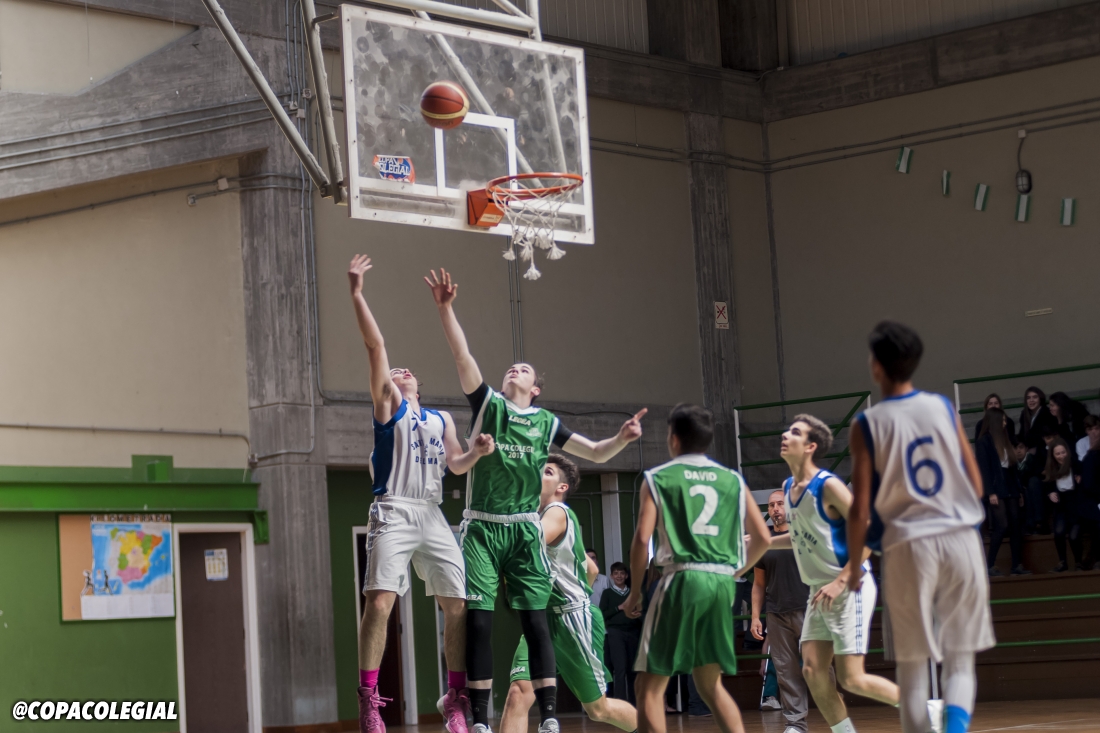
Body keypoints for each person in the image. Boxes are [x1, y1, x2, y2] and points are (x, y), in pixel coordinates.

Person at [426, 268, 646, 733]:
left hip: (527, 538)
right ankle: (479, 717)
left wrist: (622, 439)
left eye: (524, 369)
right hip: (484, 524)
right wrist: (446, 309)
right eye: (511, 367)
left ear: (536, 388)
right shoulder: (490, 405)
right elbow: (463, 356)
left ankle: (555, 717)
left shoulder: (546, 424)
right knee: (484, 629)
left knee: (589, 695)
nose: (515, 369)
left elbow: (595, 452)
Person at [348, 255, 491, 733]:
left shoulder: (441, 418)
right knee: (380, 603)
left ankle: (454, 698)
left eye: (408, 370)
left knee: (457, 604)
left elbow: (456, 464)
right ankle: (369, 698)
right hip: (394, 509)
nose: (402, 370)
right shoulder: (388, 407)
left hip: (432, 512)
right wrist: (357, 294)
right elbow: (376, 345)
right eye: (396, 370)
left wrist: (476, 451)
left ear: (419, 385)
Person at [846, 321, 994, 733]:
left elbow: (859, 510)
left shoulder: (866, 424)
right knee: (960, 661)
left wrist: (855, 566)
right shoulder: (942, 407)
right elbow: (976, 484)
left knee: (912, 670)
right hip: (961, 538)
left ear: (876, 366)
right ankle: (955, 727)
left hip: (908, 544)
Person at [620, 403, 772, 733]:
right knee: (709, 684)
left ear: (673, 438)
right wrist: (735, 572)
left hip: (681, 578)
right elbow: (762, 537)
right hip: (721, 583)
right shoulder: (733, 479)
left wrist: (635, 594)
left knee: (649, 687)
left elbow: (641, 540)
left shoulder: (658, 477)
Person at [766, 414, 901, 733]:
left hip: (849, 584)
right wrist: (761, 542)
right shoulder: (788, 487)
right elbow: (799, 537)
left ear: (810, 446)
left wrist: (842, 581)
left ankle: (927, 709)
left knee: (852, 678)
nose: (785, 435)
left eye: (795, 432)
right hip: (819, 590)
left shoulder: (827, 486)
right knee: (813, 670)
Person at [501, 455, 638, 733]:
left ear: (561, 487)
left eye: (547, 471)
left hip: (573, 620)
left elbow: (528, 542)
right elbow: (591, 569)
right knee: (518, 693)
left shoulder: (557, 511)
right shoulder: (536, 516)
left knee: (598, 709)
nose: (538, 472)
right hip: (540, 619)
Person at [751, 490, 812, 733]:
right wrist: (755, 616)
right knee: (786, 671)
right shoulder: (764, 542)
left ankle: (835, 714)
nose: (775, 508)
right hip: (776, 613)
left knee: (817, 668)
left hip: (808, 610)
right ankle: (796, 724)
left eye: (780, 504)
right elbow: (758, 584)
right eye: (771, 505)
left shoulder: (804, 534)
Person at [975, 407, 1029, 576]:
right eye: (1003, 420)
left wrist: (1019, 491)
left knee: (1015, 524)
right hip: (996, 487)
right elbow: (984, 470)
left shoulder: (1006, 439)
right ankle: (990, 565)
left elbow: (1012, 468)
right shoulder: (983, 441)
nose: (1005, 423)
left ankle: (1016, 565)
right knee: (1002, 525)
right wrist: (990, 492)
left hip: (1010, 486)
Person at [600, 562, 640, 703]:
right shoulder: (607, 593)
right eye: (616, 573)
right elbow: (602, 614)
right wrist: (619, 607)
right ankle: (621, 703)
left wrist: (636, 614)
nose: (619, 576)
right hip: (615, 633)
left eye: (622, 573)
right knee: (620, 668)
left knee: (632, 669)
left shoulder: (633, 593)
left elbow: (640, 612)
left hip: (633, 632)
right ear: (611, 576)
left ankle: (634, 704)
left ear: (626, 576)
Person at [1044, 438, 1083, 572]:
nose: (1061, 456)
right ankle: (1062, 562)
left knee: (1074, 536)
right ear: (1053, 456)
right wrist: (1050, 493)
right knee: (1059, 532)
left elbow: (1086, 484)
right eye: (1058, 454)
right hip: (1061, 506)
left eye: (1063, 452)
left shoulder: (1076, 465)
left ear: (1067, 451)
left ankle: (1078, 562)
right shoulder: (1051, 469)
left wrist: (1081, 481)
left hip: (1076, 505)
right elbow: (1047, 485)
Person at [1074, 416, 1100, 570]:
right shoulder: (1091, 456)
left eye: (1097, 428)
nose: (1094, 432)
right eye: (1091, 429)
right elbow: (1089, 485)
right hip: (1091, 500)